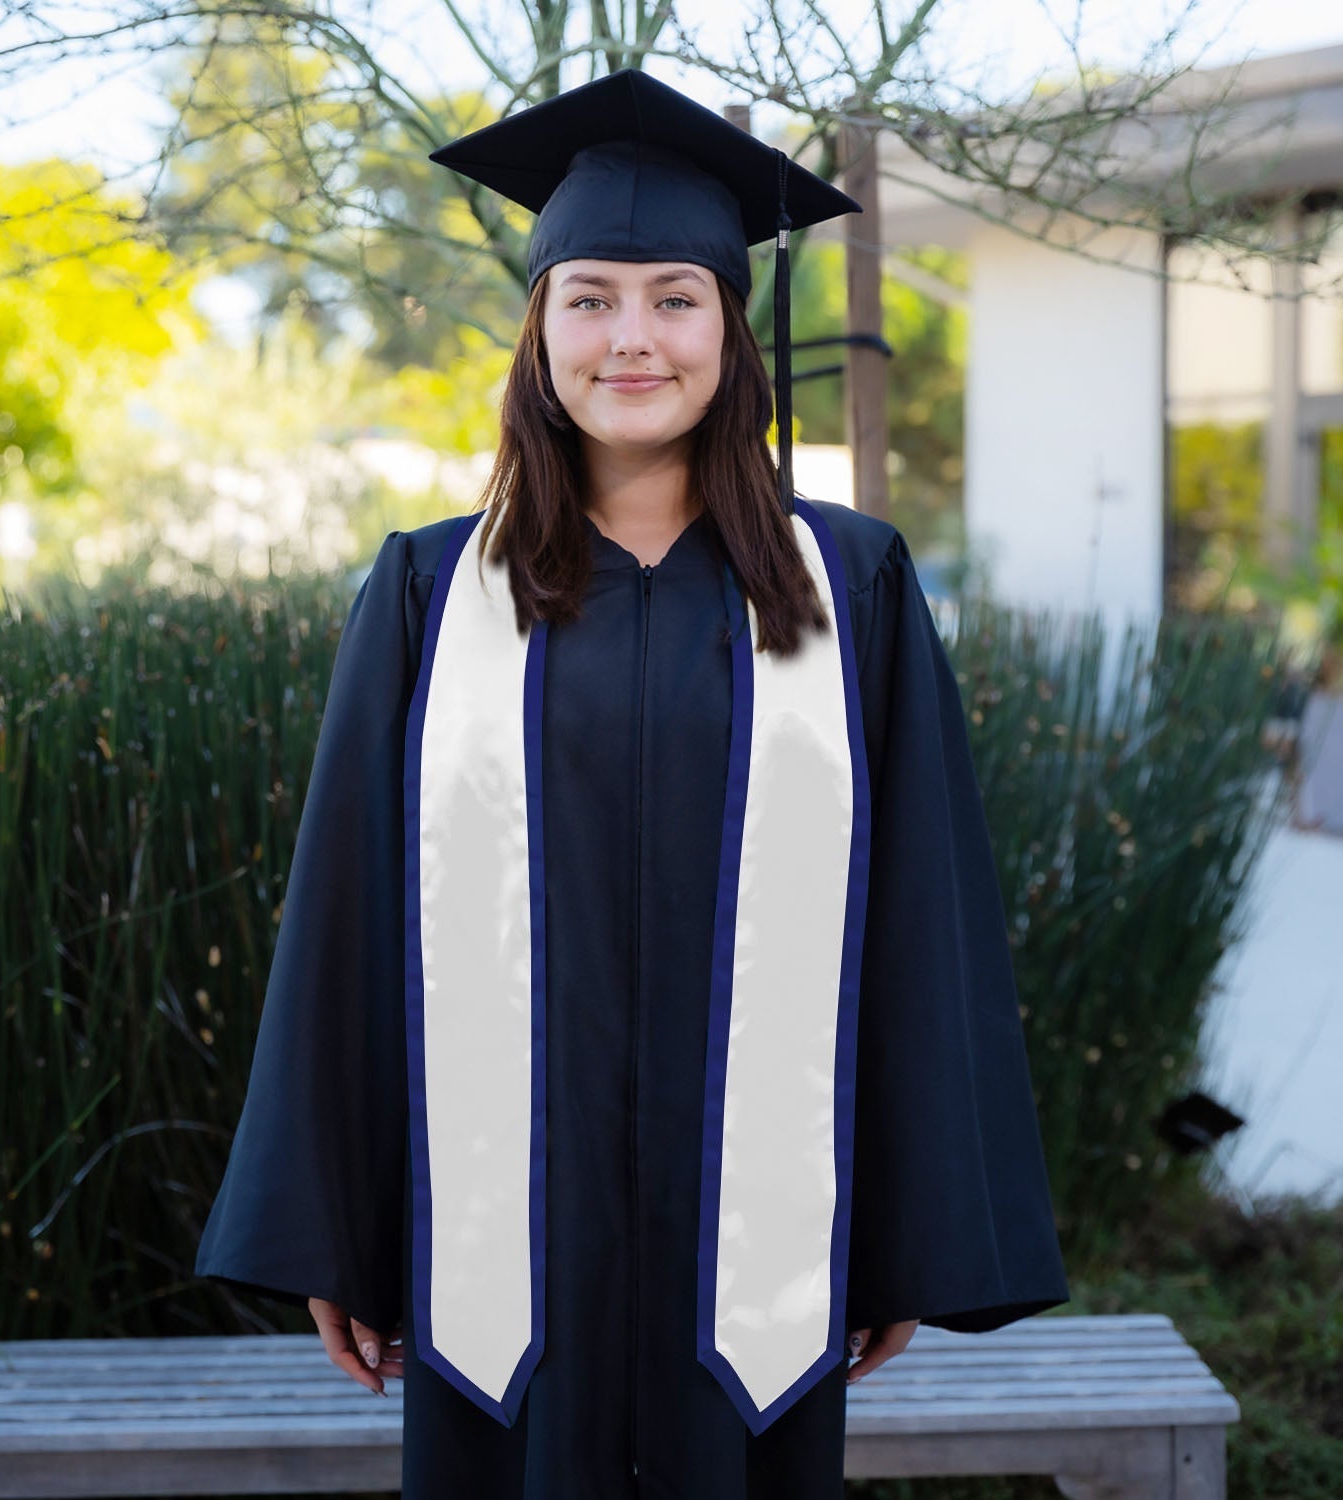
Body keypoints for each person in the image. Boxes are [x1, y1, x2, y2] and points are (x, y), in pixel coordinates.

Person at [194, 68, 1069, 1500]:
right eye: (589, 297)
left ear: (734, 326)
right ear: (537, 331)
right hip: (500, 1269)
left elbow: (924, 919)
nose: (632, 338)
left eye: (677, 297)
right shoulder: (430, 591)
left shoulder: (852, 587)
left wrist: (903, 1226)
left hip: (763, 1266)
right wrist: (341, 1230)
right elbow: (348, 920)